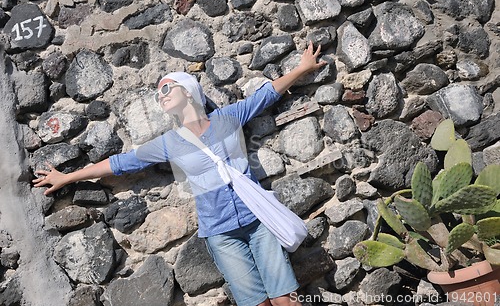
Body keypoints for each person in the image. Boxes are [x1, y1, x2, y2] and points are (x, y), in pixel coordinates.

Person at [33, 42, 327, 306]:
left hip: (257, 219)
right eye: (157, 94)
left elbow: (265, 96)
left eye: (166, 88)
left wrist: (302, 68)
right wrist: (67, 177)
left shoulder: (227, 119)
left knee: (285, 300)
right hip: (221, 232)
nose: (160, 96)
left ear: (188, 91)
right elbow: (122, 162)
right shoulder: (169, 143)